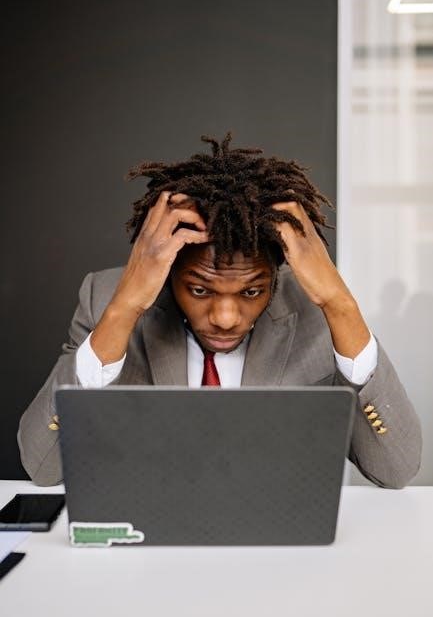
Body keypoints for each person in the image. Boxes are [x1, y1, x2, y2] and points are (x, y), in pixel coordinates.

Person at [18, 133, 422, 487]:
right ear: (168, 272)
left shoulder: (317, 314)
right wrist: (124, 307)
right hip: (149, 538)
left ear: (276, 276)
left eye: (252, 291)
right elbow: (43, 466)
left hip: (274, 539)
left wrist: (340, 305)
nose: (226, 317)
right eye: (199, 289)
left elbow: (396, 469)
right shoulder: (106, 299)